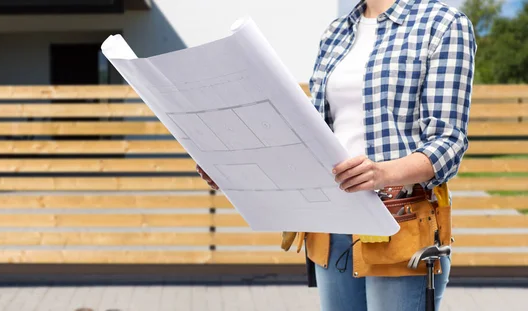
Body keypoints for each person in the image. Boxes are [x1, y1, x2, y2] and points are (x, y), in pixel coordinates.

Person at [197, 0, 476, 310]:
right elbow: (310, 139)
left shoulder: (444, 24)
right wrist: (233, 170)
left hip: (400, 223)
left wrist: (381, 173)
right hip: (333, 224)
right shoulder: (336, 33)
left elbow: (448, 143)